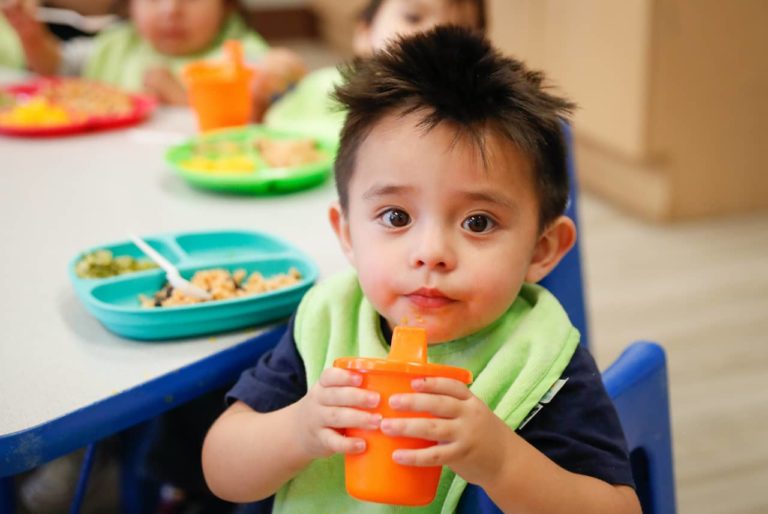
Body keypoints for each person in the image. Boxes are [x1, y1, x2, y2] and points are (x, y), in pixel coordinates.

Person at [202, 26, 642, 514]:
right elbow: (222, 472)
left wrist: (500, 462)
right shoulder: (333, 320)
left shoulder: (535, 356)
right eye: (396, 217)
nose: (430, 253)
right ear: (347, 233)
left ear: (542, 250)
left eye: (478, 222)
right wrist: (299, 429)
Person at [0, 0, 305, 106]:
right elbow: (57, 68)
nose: (170, 11)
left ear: (227, 6)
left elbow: (255, 115)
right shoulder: (119, 45)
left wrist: (180, 98)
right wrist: (32, 37)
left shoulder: (241, 54)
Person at [262, 0, 485, 143]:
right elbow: (268, 137)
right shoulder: (324, 88)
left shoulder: (471, 116)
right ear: (365, 34)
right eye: (413, 18)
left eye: (457, 31)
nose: (432, 35)